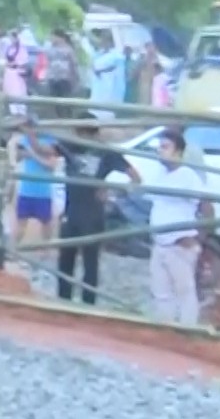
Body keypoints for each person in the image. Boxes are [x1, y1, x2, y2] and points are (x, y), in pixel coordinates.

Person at [54, 115, 138, 305]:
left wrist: (112, 191)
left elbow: (135, 177)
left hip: (93, 216)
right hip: (71, 212)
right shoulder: (70, 145)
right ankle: (63, 302)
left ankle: (88, 304)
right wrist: (31, 134)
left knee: (90, 264)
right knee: (65, 260)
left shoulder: (105, 152)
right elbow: (45, 151)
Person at [148, 131, 211, 326]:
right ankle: (165, 329)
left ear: (178, 152)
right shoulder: (160, 174)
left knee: (185, 292)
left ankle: (187, 330)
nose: (160, 151)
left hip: (179, 243)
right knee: (161, 292)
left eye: (165, 147)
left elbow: (206, 205)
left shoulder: (187, 175)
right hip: (160, 242)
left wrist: (199, 239)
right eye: (160, 147)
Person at [10, 120, 60, 247]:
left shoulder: (50, 140)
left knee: (46, 225)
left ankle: (45, 252)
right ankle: (12, 250)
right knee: (20, 224)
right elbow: (17, 157)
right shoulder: (24, 140)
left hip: (43, 192)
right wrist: (24, 152)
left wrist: (32, 154)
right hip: (26, 190)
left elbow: (51, 166)